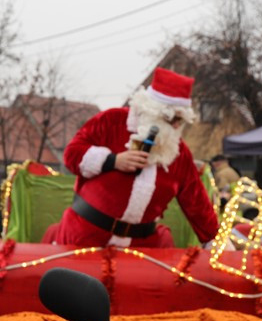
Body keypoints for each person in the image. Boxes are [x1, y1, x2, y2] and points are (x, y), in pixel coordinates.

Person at [54, 67, 219, 248]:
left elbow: (196, 202)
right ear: (153, 111)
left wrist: (215, 241)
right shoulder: (112, 121)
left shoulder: (178, 152)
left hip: (141, 246)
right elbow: (72, 155)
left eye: (179, 122)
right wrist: (113, 161)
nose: (175, 127)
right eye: (171, 120)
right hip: (85, 234)